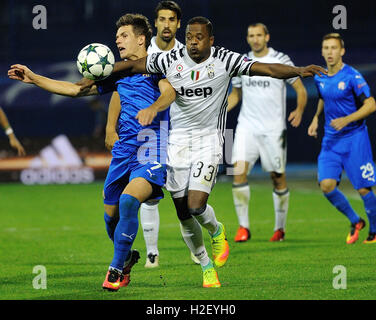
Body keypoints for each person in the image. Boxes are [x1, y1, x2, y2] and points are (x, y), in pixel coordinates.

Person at [78, 16, 325, 287]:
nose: (193, 42)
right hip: (176, 144)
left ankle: (217, 230)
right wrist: (99, 71)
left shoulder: (225, 60)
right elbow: (133, 66)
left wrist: (298, 70)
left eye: (199, 37)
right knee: (183, 212)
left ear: (210, 40)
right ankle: (206, 264)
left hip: (209, 141)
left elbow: (264, 68)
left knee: (196, 205)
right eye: (189, 37)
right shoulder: (170, 60)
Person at [8, 13, 177, 291]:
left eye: (123, 35)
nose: (117, 40)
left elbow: (169, 92)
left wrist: (155, 108)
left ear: (141, 38)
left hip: (151, 145)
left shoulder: (157, 64)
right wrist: (35, 78)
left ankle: (115, 270)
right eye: (117, 36)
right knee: (110, 217)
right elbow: (75, 90)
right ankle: (128, 257)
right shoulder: (119, 72)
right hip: (124, 151)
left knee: (128, 201)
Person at [105, 1, 199, 268]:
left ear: (178, 24)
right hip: (144, 140)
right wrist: (111, 127)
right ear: (155, 23)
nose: (166, 24)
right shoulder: (142, 58)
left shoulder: (185, 54)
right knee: (134, 204)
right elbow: (117, 92)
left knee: (188, 206)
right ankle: (151, 254)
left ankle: (199, 247)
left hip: (180, 136)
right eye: (161, 19)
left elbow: (177, 90)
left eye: (171, 19)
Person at [227, 23, 308, 242]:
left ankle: (279, 228)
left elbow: (300, 88)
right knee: (237, 171)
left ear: (267, 37)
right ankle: (243, 227)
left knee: (277, 177)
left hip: (273, 129)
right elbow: (236, 94)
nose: (255, 39)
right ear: (247, 38)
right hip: (247, 127)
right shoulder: (241, 62)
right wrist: (219, 111)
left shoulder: (280, 59)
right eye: (251, 35)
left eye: (259, 35)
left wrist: (299, 110)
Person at [308, 33, 376, 244]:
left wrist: (347, 119)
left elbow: (371, 105)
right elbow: (323, 98)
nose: (329, 52)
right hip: (331, 141)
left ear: (342, 51)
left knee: (363, 188)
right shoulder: (319, 76)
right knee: (326, 186)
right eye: (326, 48)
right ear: (322, 51)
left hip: (354, 138)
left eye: (333, 48)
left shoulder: (352, 76)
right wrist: (315, 118)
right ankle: (355, 220)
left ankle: (374, 232)